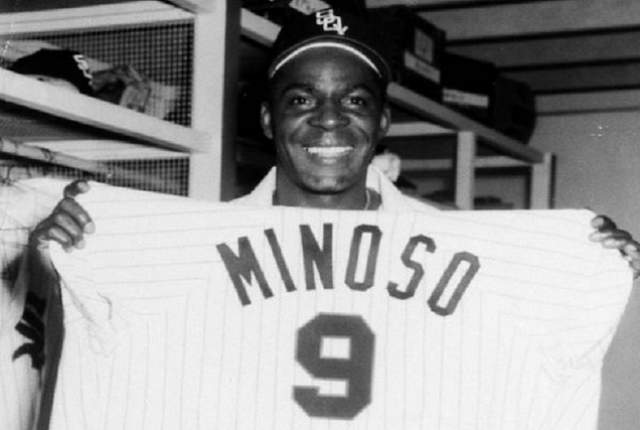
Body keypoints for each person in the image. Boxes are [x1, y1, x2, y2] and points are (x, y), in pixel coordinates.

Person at [17, 6, 640, 427]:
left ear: (382, 121)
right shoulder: (176, 253)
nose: (329, 118)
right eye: (301, 98)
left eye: (355, 99)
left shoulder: (460, 250)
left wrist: (590, 264)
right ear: (268, 119)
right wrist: (78, 257)